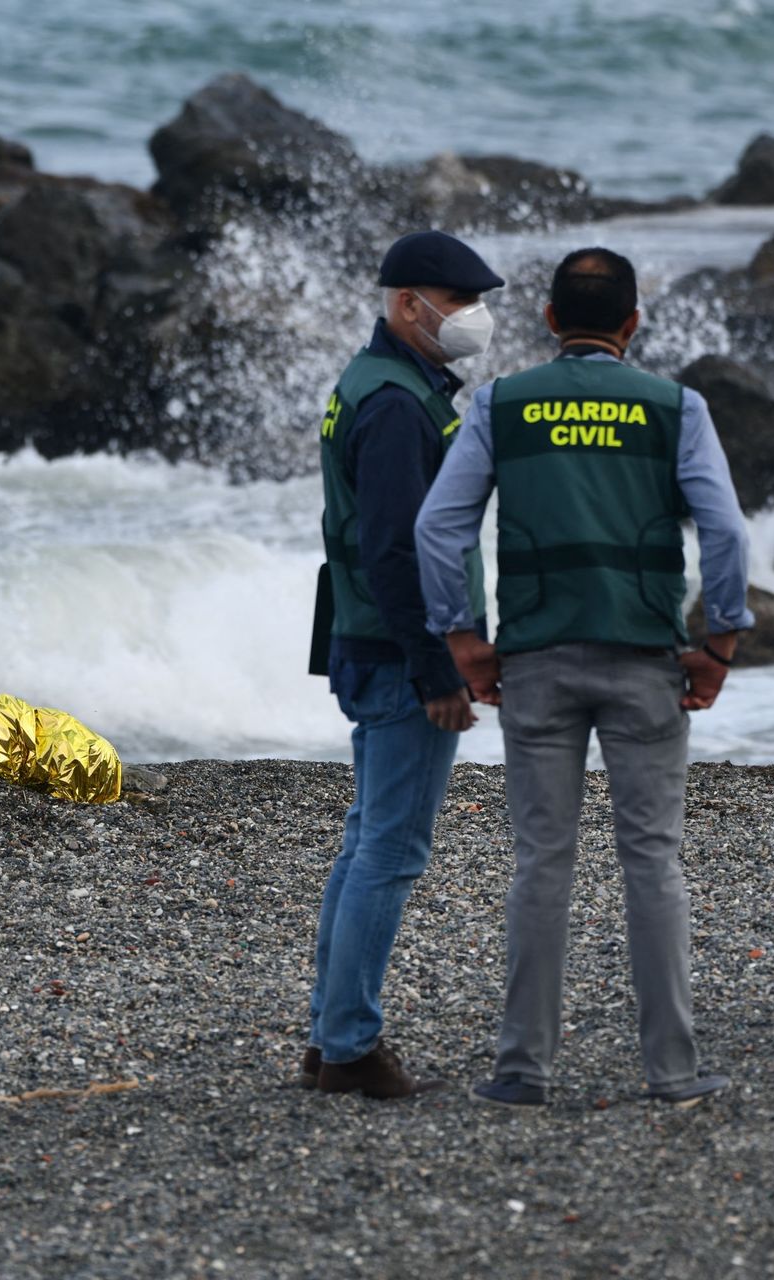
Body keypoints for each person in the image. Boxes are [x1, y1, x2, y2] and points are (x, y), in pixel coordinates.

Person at [414, 246, 753, 1109]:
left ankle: (523, 1072)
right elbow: (726, 535)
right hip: (645, 662)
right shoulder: (677, 407)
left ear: (552, 321)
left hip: (534, 662)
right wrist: (719, 645)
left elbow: (439, 527)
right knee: (653, 862)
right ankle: (673, 1073)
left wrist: (462, 637)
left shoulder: (501, 404)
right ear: (632, 325)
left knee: (542, 864)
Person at [302, 230, 505, 1100]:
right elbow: (393, 551)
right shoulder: (393, 404)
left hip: (368, 639)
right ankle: (349, 1045)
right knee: (390, 848)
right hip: (396, 651)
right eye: (457, 304)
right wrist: (435, 669)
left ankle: (329, 1034)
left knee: (365, 842)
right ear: (406, 305)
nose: (472, 319)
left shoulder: (381, 383)